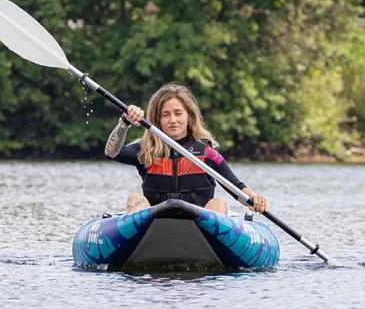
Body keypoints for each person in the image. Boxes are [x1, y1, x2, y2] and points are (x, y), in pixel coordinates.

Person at [104, 82, 268, 215]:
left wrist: (254, 198)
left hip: (200, 224)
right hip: (155, 223)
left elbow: (236, 186)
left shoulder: (207, 153)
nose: (173, 120)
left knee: (219, 203)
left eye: (178, 113)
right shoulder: (146, 151)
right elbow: (111, 153)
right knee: (134, 199)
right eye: (165, 115)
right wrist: (124, 123)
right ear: (158, 120)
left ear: (188, 117)